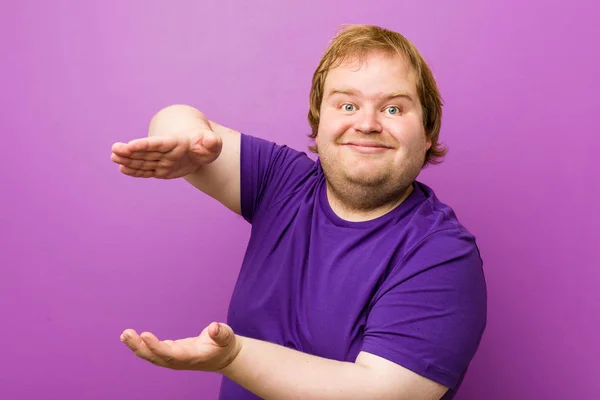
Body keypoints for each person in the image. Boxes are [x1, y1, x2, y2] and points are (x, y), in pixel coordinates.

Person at [111, 24, 487, 400]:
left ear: (427, 134)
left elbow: (383, 393)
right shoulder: (282, 182)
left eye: (393, 108)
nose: (367, 124)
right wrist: (187, 136)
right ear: (318, 123)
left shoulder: (443, 254)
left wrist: (236, 356)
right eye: (347, 105)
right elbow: (176, 116)